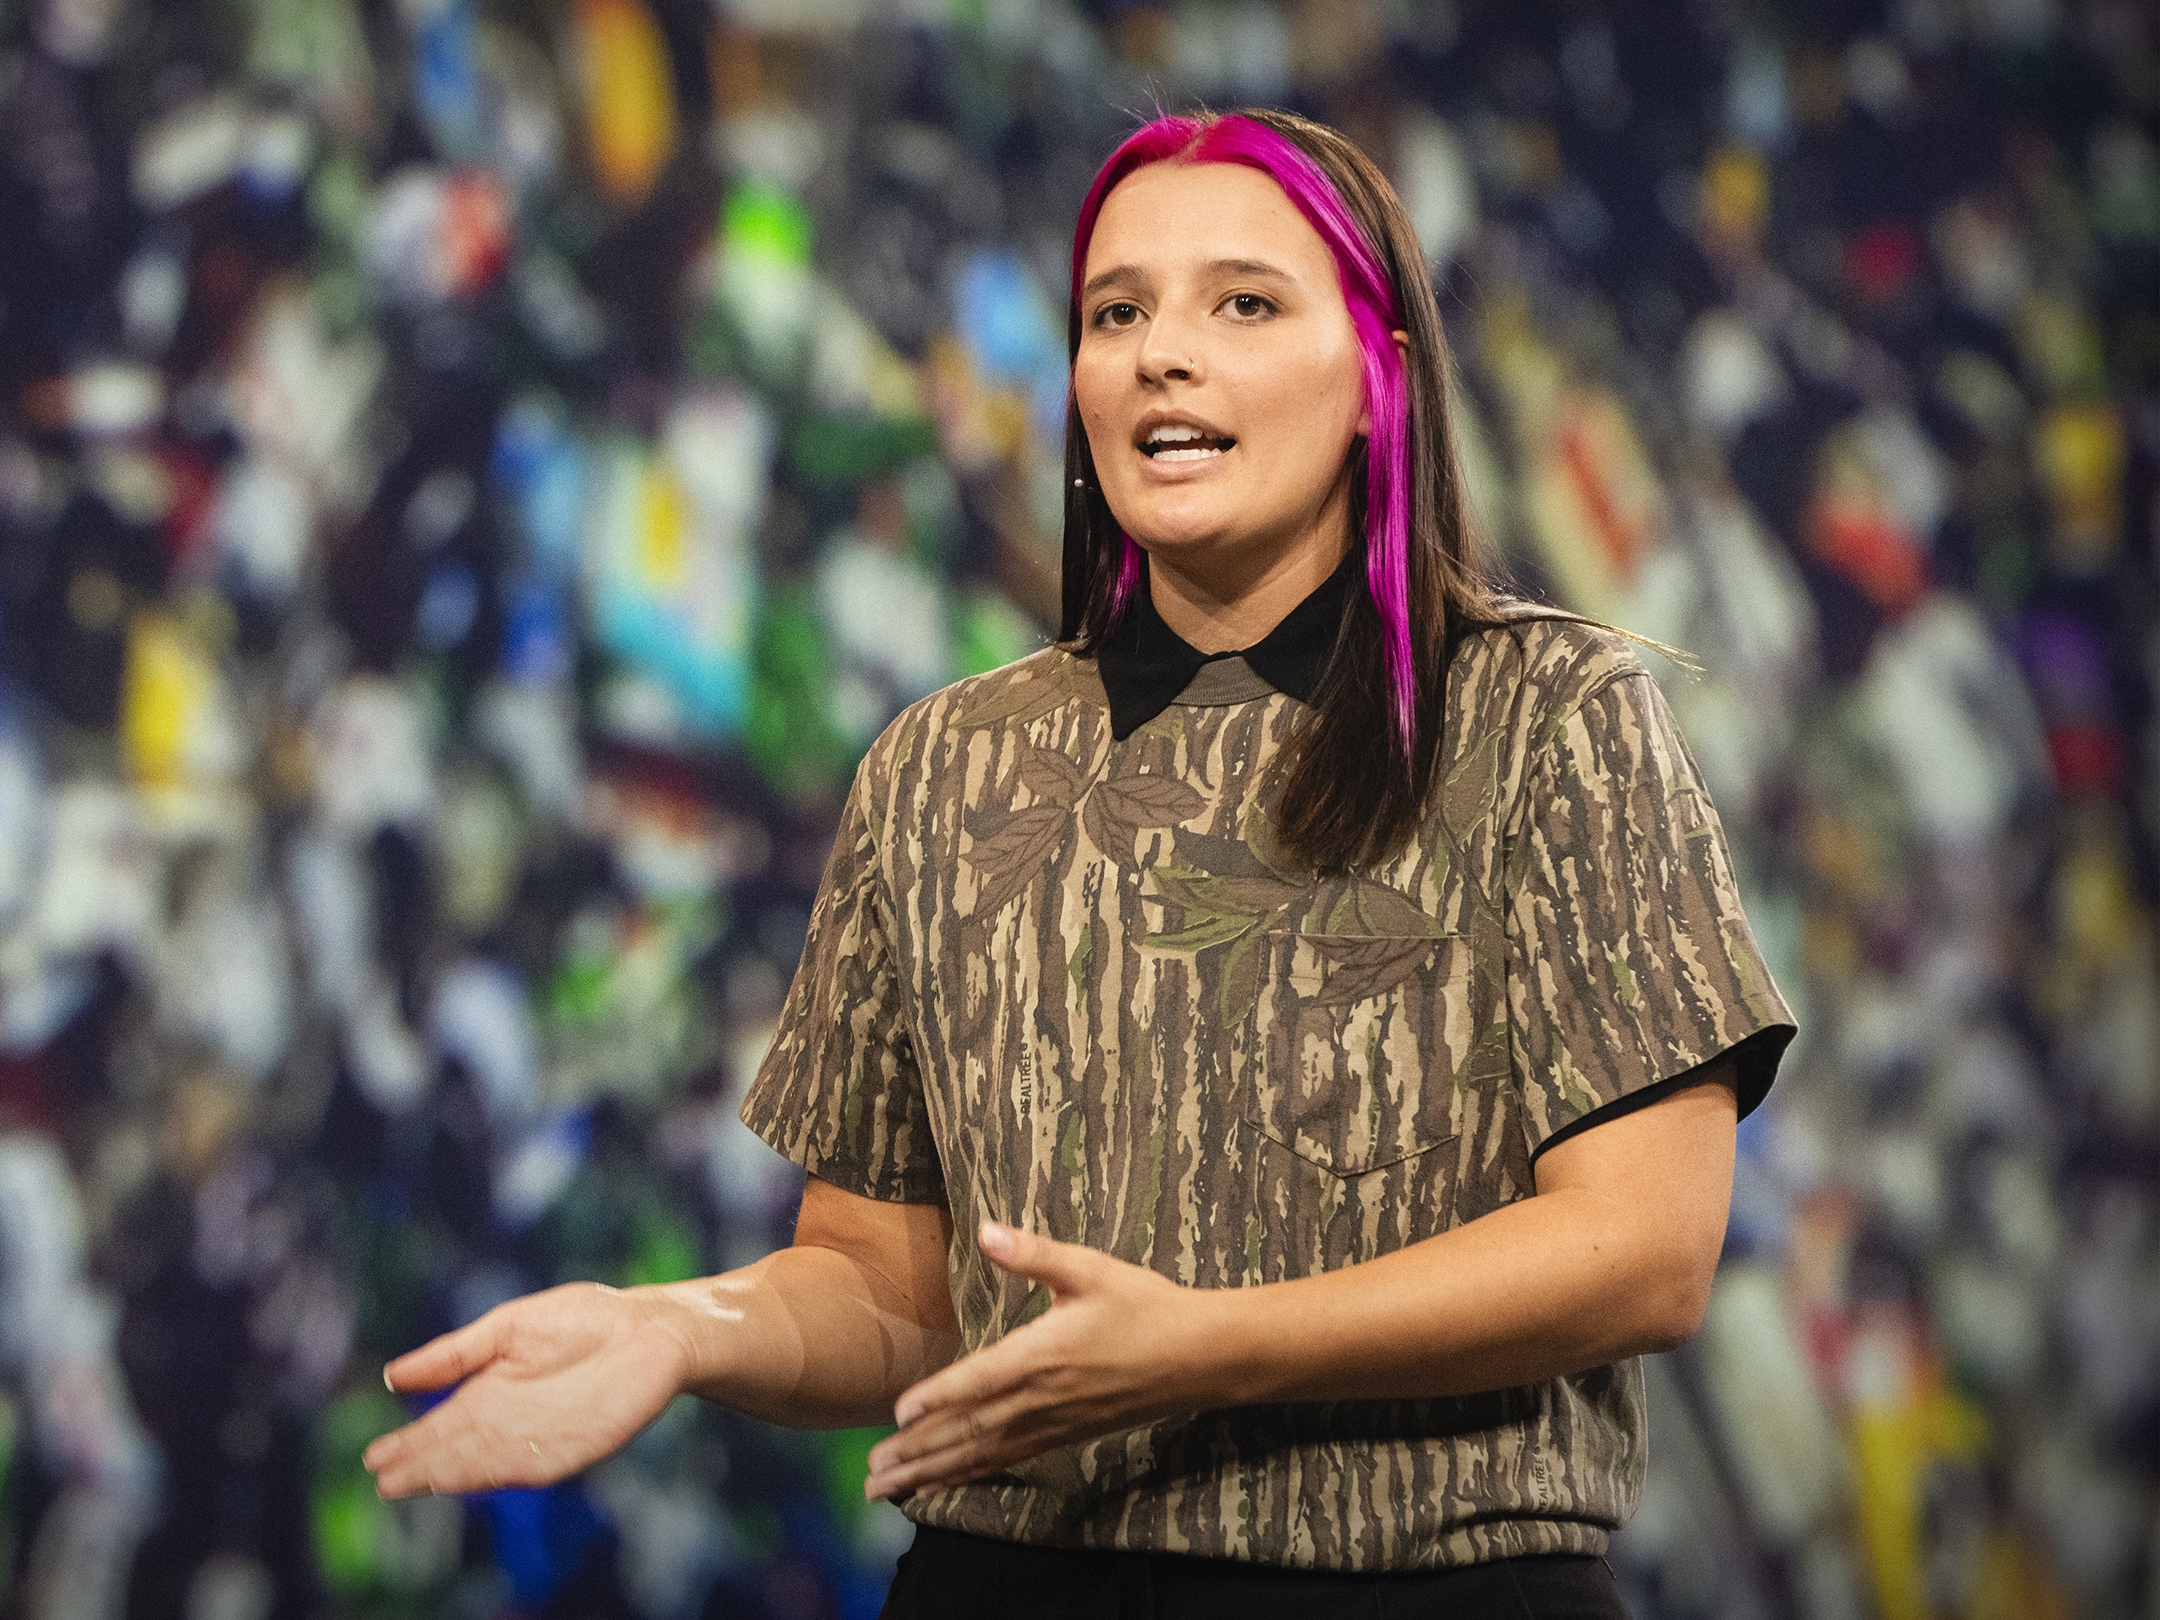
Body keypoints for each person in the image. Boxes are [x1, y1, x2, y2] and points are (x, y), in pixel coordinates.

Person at [365, 109, 1795, 1617]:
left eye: (1242, 302)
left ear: (1381, 378)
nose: (1161, 353)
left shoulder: (1550, 714)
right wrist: (685, 1326)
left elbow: (1644, 1249)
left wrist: (1206, 1346)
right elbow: (892, 1297)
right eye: (1118, 313)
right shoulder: (940, 766)